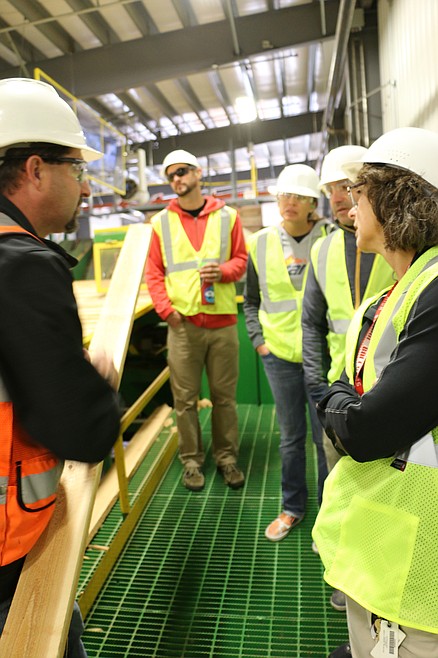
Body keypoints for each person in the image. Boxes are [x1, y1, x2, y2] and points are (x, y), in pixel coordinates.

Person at [0, 78, 121, 655]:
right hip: (8, 551)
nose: (84, 184)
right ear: (35, 170)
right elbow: (84, 432)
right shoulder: (21, 264)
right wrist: (96, 379)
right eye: (76, 167)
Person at [312, 126, 438, 658]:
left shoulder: (433, 290)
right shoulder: (398, 291)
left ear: (395, 200)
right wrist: (340, 402)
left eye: (358, 191)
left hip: (422, 568)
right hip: (386, 542)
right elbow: (350, 390)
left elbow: (366, 428)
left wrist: (333, 403)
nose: (349, 203)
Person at [301, 145, 395, 613]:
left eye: (347, 187)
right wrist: (319, 386)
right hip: (340, 390)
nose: (339, 198)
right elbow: (312, 322)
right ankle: (343, 572)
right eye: (331, 189)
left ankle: (375, 577)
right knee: (338, 481)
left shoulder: (397, 244)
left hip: (390, 392)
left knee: (382, 490)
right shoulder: (321, 250)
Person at [145, 149, 247, 491]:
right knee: (184, 401)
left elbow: (240, 261)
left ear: (198, 172)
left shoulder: (228, 217)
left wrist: (223, 271)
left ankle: (227, 458)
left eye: (182, 171)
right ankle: (191, 462)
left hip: (222, 324)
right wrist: (167, 312)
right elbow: (153, 273)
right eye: (171, 175)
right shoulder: (160, 223)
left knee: (224, 398)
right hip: (183, 326)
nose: (177, 179)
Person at [243, 164, 333, 542]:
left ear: (313, 203)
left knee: (326, 441)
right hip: (278, 355)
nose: (289, 202)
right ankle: (293, 507)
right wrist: (259, 342)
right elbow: (250, 300)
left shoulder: (331, 238)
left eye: (298, 196)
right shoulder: (260, 242)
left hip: (323, 357)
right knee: (291, 437)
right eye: (284, 194)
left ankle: (328, 517)